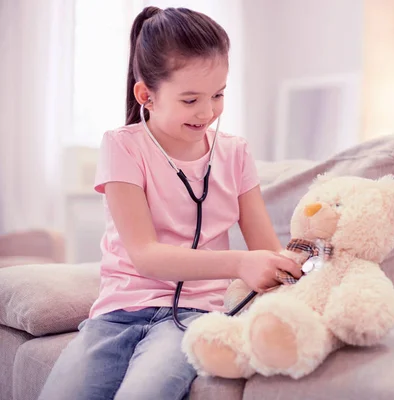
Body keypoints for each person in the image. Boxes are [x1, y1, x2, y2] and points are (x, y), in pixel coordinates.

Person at [38, 6, 300, 400]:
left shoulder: (235, 154)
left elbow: (265, 248)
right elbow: (145, 255)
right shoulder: (122, 146)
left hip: (195, 317)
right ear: (146, 95)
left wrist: (294, 263)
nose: (208, 112)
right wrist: (239, 263)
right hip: (117, 314)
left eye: (218, 94)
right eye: (191, 99)